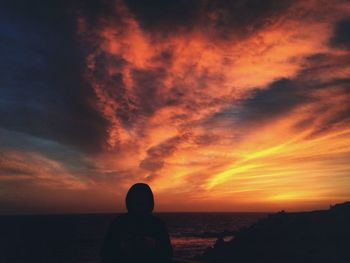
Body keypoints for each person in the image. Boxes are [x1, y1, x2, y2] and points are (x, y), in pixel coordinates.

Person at [101, 183, 173, 263]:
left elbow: (166, 254)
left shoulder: (158, 225)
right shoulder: (118, 223)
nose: (140, 203)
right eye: (137, 200)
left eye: (143, 201)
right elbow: (106, 253)